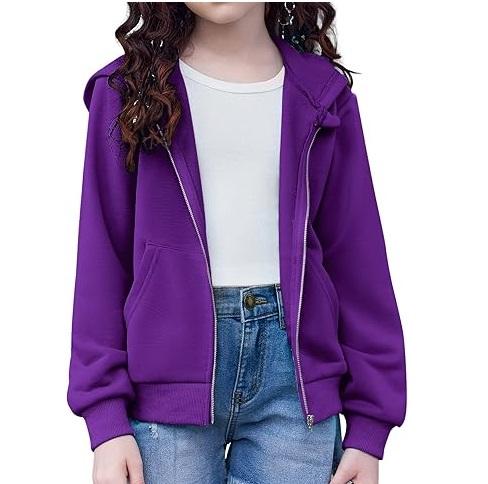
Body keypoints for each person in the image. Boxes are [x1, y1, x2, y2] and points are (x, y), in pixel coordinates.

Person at [68, 3, 406, 483]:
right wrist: (105, 421)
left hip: (296, 389)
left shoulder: (322, 95)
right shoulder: (129, 91)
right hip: (164, 385)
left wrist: (370, 426)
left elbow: (359, 261)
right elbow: (101, 259)